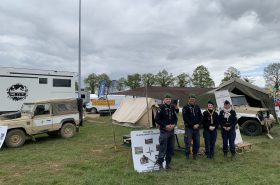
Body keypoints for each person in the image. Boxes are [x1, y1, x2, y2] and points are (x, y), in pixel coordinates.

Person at [155, 93, 178, 170]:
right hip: (164, 131)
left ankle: (168, 164)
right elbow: (157, 119)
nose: (168, 100)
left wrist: (174, 125)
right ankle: (160, 164)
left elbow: (176, 118)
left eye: (169, 99)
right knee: (163, 148)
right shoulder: (160, 108)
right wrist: (165, 126)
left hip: (171, 131)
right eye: (167, 99)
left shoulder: (172, 107)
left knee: (170, 149)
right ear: (164, 100)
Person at [182, 95, 202, 160]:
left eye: (193, 99)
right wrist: (192, 125)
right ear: (188, 100)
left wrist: (198, 124)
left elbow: (200, 116)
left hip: (197, 128)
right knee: (188, 142)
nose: (192, 101)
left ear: (195, 100)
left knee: (197, 143)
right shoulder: (185, 107)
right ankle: (187, 155)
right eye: (191, 99)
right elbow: (185, 118)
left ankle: (194, 155)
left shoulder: (197, 107)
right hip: (189, 128)